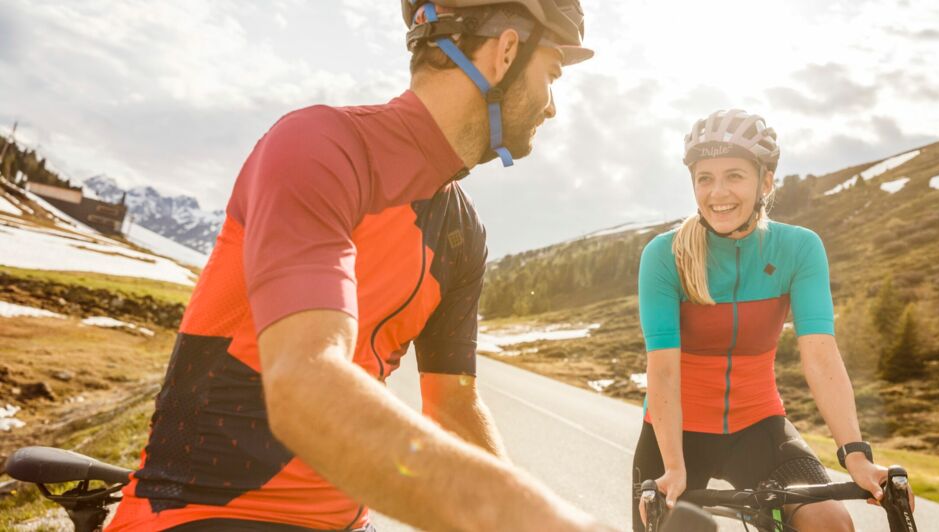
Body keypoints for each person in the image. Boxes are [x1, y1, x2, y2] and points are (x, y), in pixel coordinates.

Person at [108, 1, 606, 530]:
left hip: (348, 521)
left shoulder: (461, 232)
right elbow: (304, 384)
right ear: (506, 53)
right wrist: (541, 521)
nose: (551, 107)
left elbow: (455, 408)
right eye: (552, 74)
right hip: (201, 512)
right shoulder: (321, 147)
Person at [632, 110, 913, 531]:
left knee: (829, 523)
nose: (718, 192)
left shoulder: (799, 249)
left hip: (758, 426)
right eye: (704, 178)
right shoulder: (665, 255)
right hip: (675, 437)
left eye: (734, 176)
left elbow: (820, 356)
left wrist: (856, 456)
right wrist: (673, 467)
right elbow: (664, 369)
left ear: (766, 181)